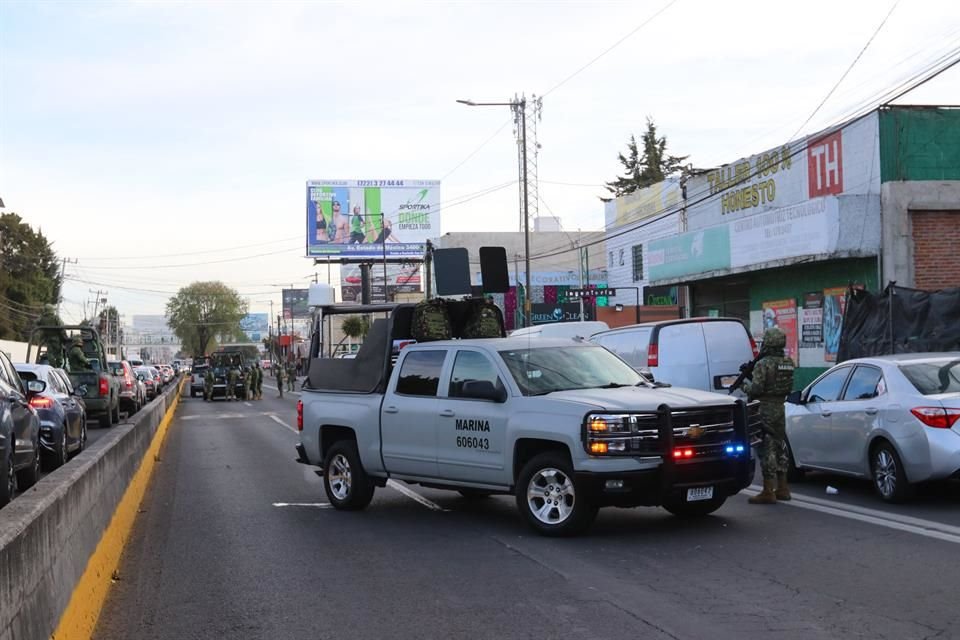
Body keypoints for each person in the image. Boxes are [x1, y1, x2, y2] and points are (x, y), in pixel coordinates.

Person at [742, 327, 796, 504]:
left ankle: (767, 490)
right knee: (780, 446)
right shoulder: (787, 362)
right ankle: (783, 488)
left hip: (764, 408)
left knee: (766, 448)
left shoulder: (763, 364)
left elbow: (757, 389)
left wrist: (744, 386)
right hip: (780, 407)